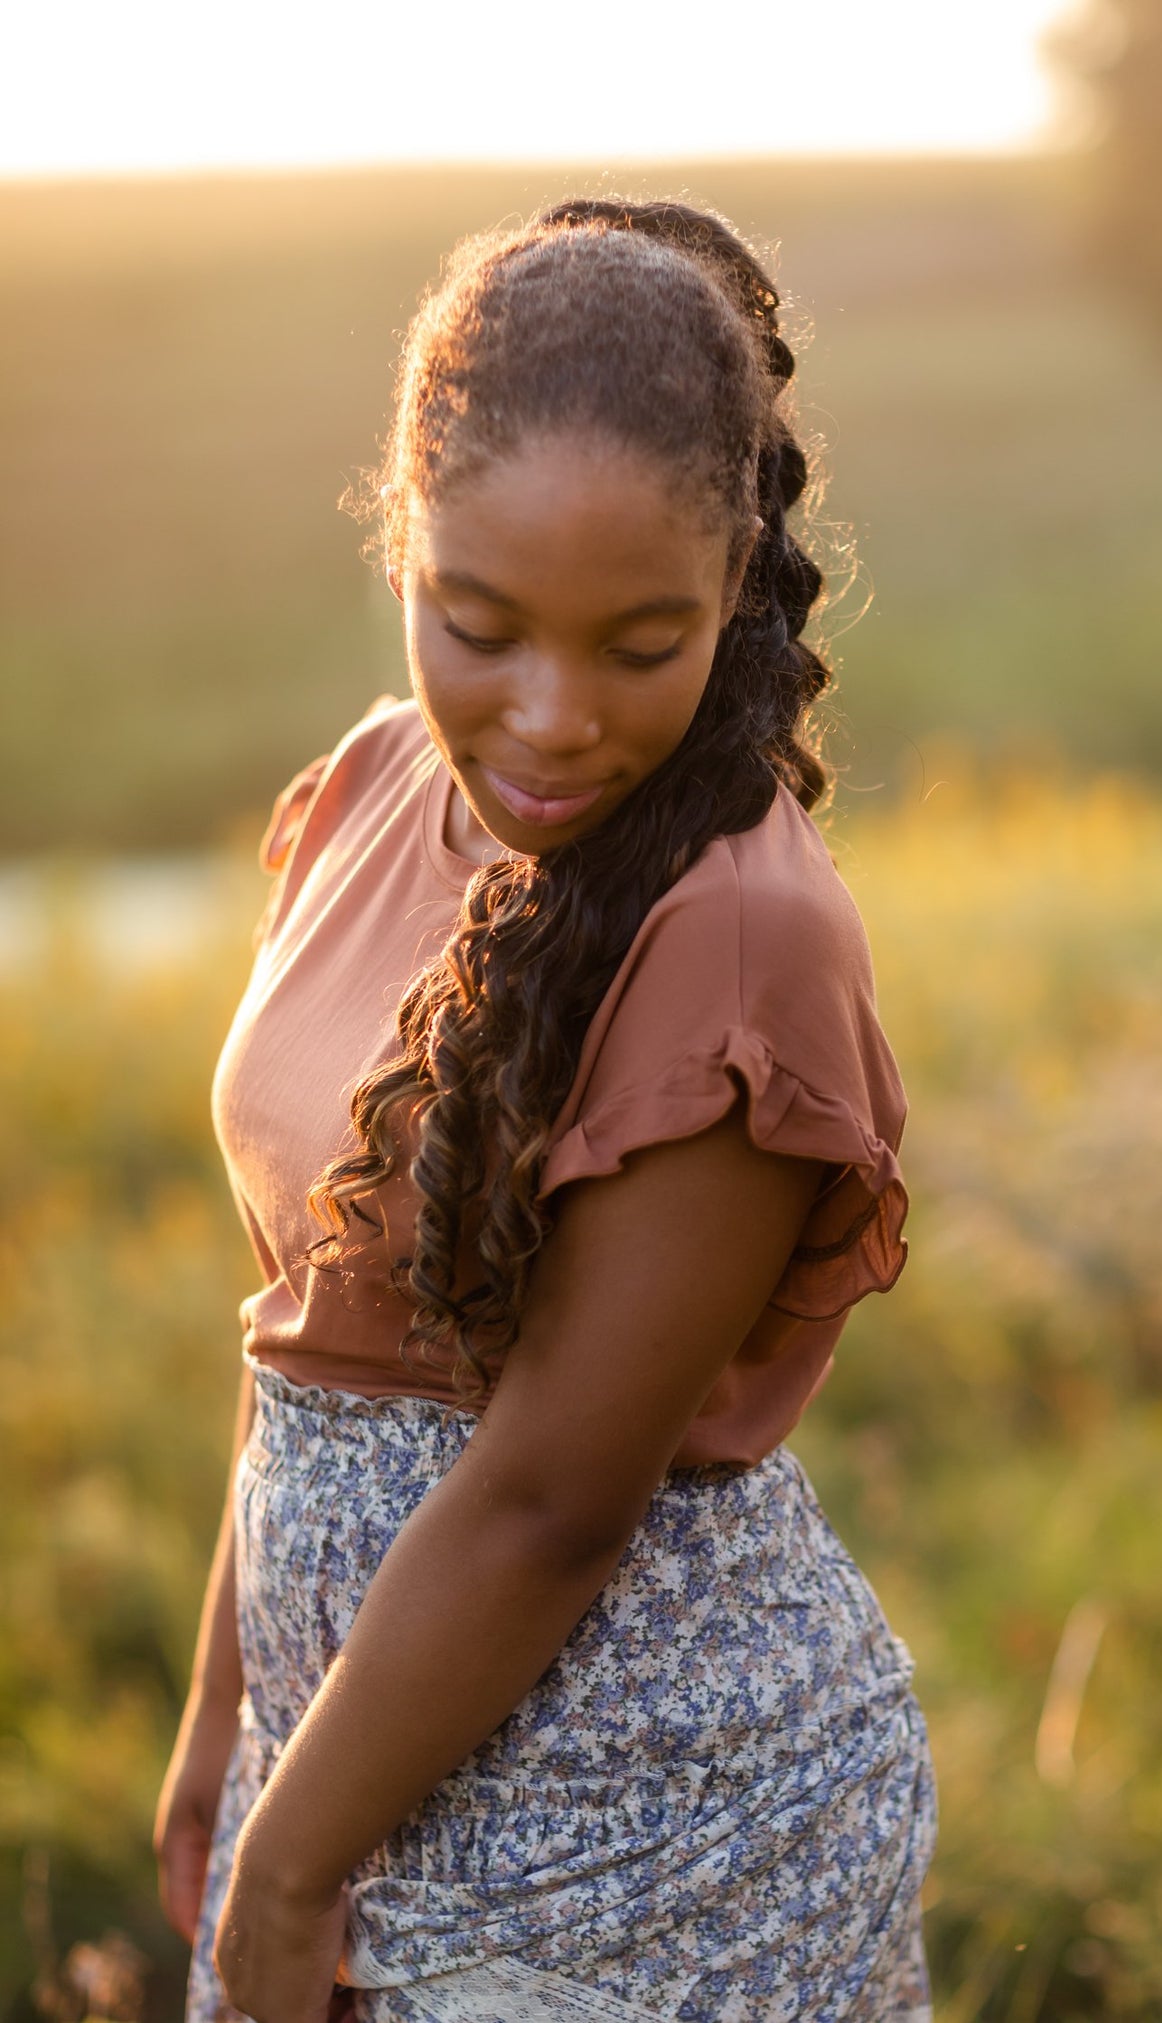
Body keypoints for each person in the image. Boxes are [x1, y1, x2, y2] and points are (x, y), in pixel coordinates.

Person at [152, 196, 938, 2023]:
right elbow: (298, 1320)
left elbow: (552, 1500)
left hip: (648, 1843)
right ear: (398, 534)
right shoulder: (363, 787)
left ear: (737, 587)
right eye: (474, 623)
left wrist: (287, 1871)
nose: (550, 718)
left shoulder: (737, 934)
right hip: (352, 1778)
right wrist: (232, 1723)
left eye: (639, 646)